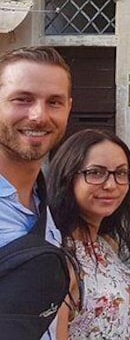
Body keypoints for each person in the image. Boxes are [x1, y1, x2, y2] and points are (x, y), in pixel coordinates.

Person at [47, 129, 130, 339]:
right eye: (95, 173)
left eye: (121, 173)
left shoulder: (107, 244)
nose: (111, 185)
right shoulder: (59, 259)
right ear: (68, 178)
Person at [0, 46, 73, 339]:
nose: (38, 116)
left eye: (54, 102)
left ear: (69, 107)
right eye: (22, 99)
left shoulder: (47, 206)